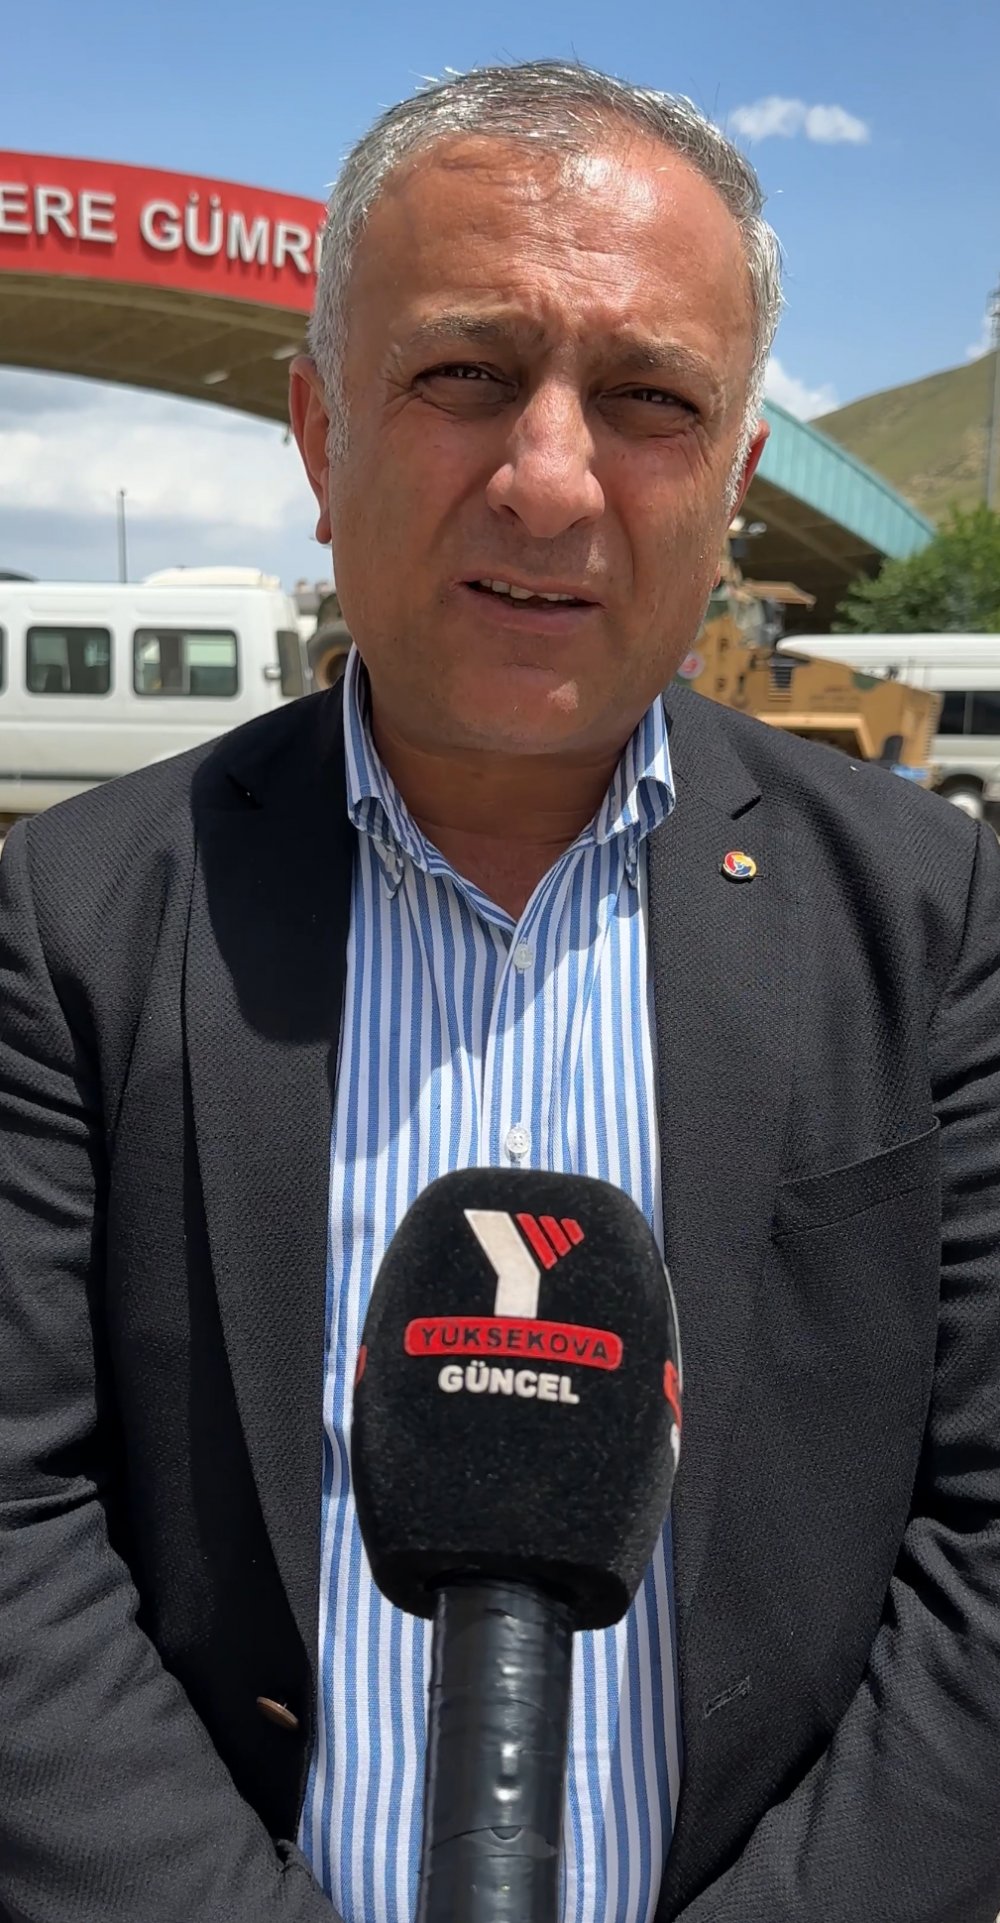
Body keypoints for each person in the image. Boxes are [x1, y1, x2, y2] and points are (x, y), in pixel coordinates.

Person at [1, 58, 999, 1923]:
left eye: (649, 401)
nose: (549, 480)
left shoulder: (935, 921)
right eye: (465, 374)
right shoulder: (74, 923)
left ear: (735, 484)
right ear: (320, 435)